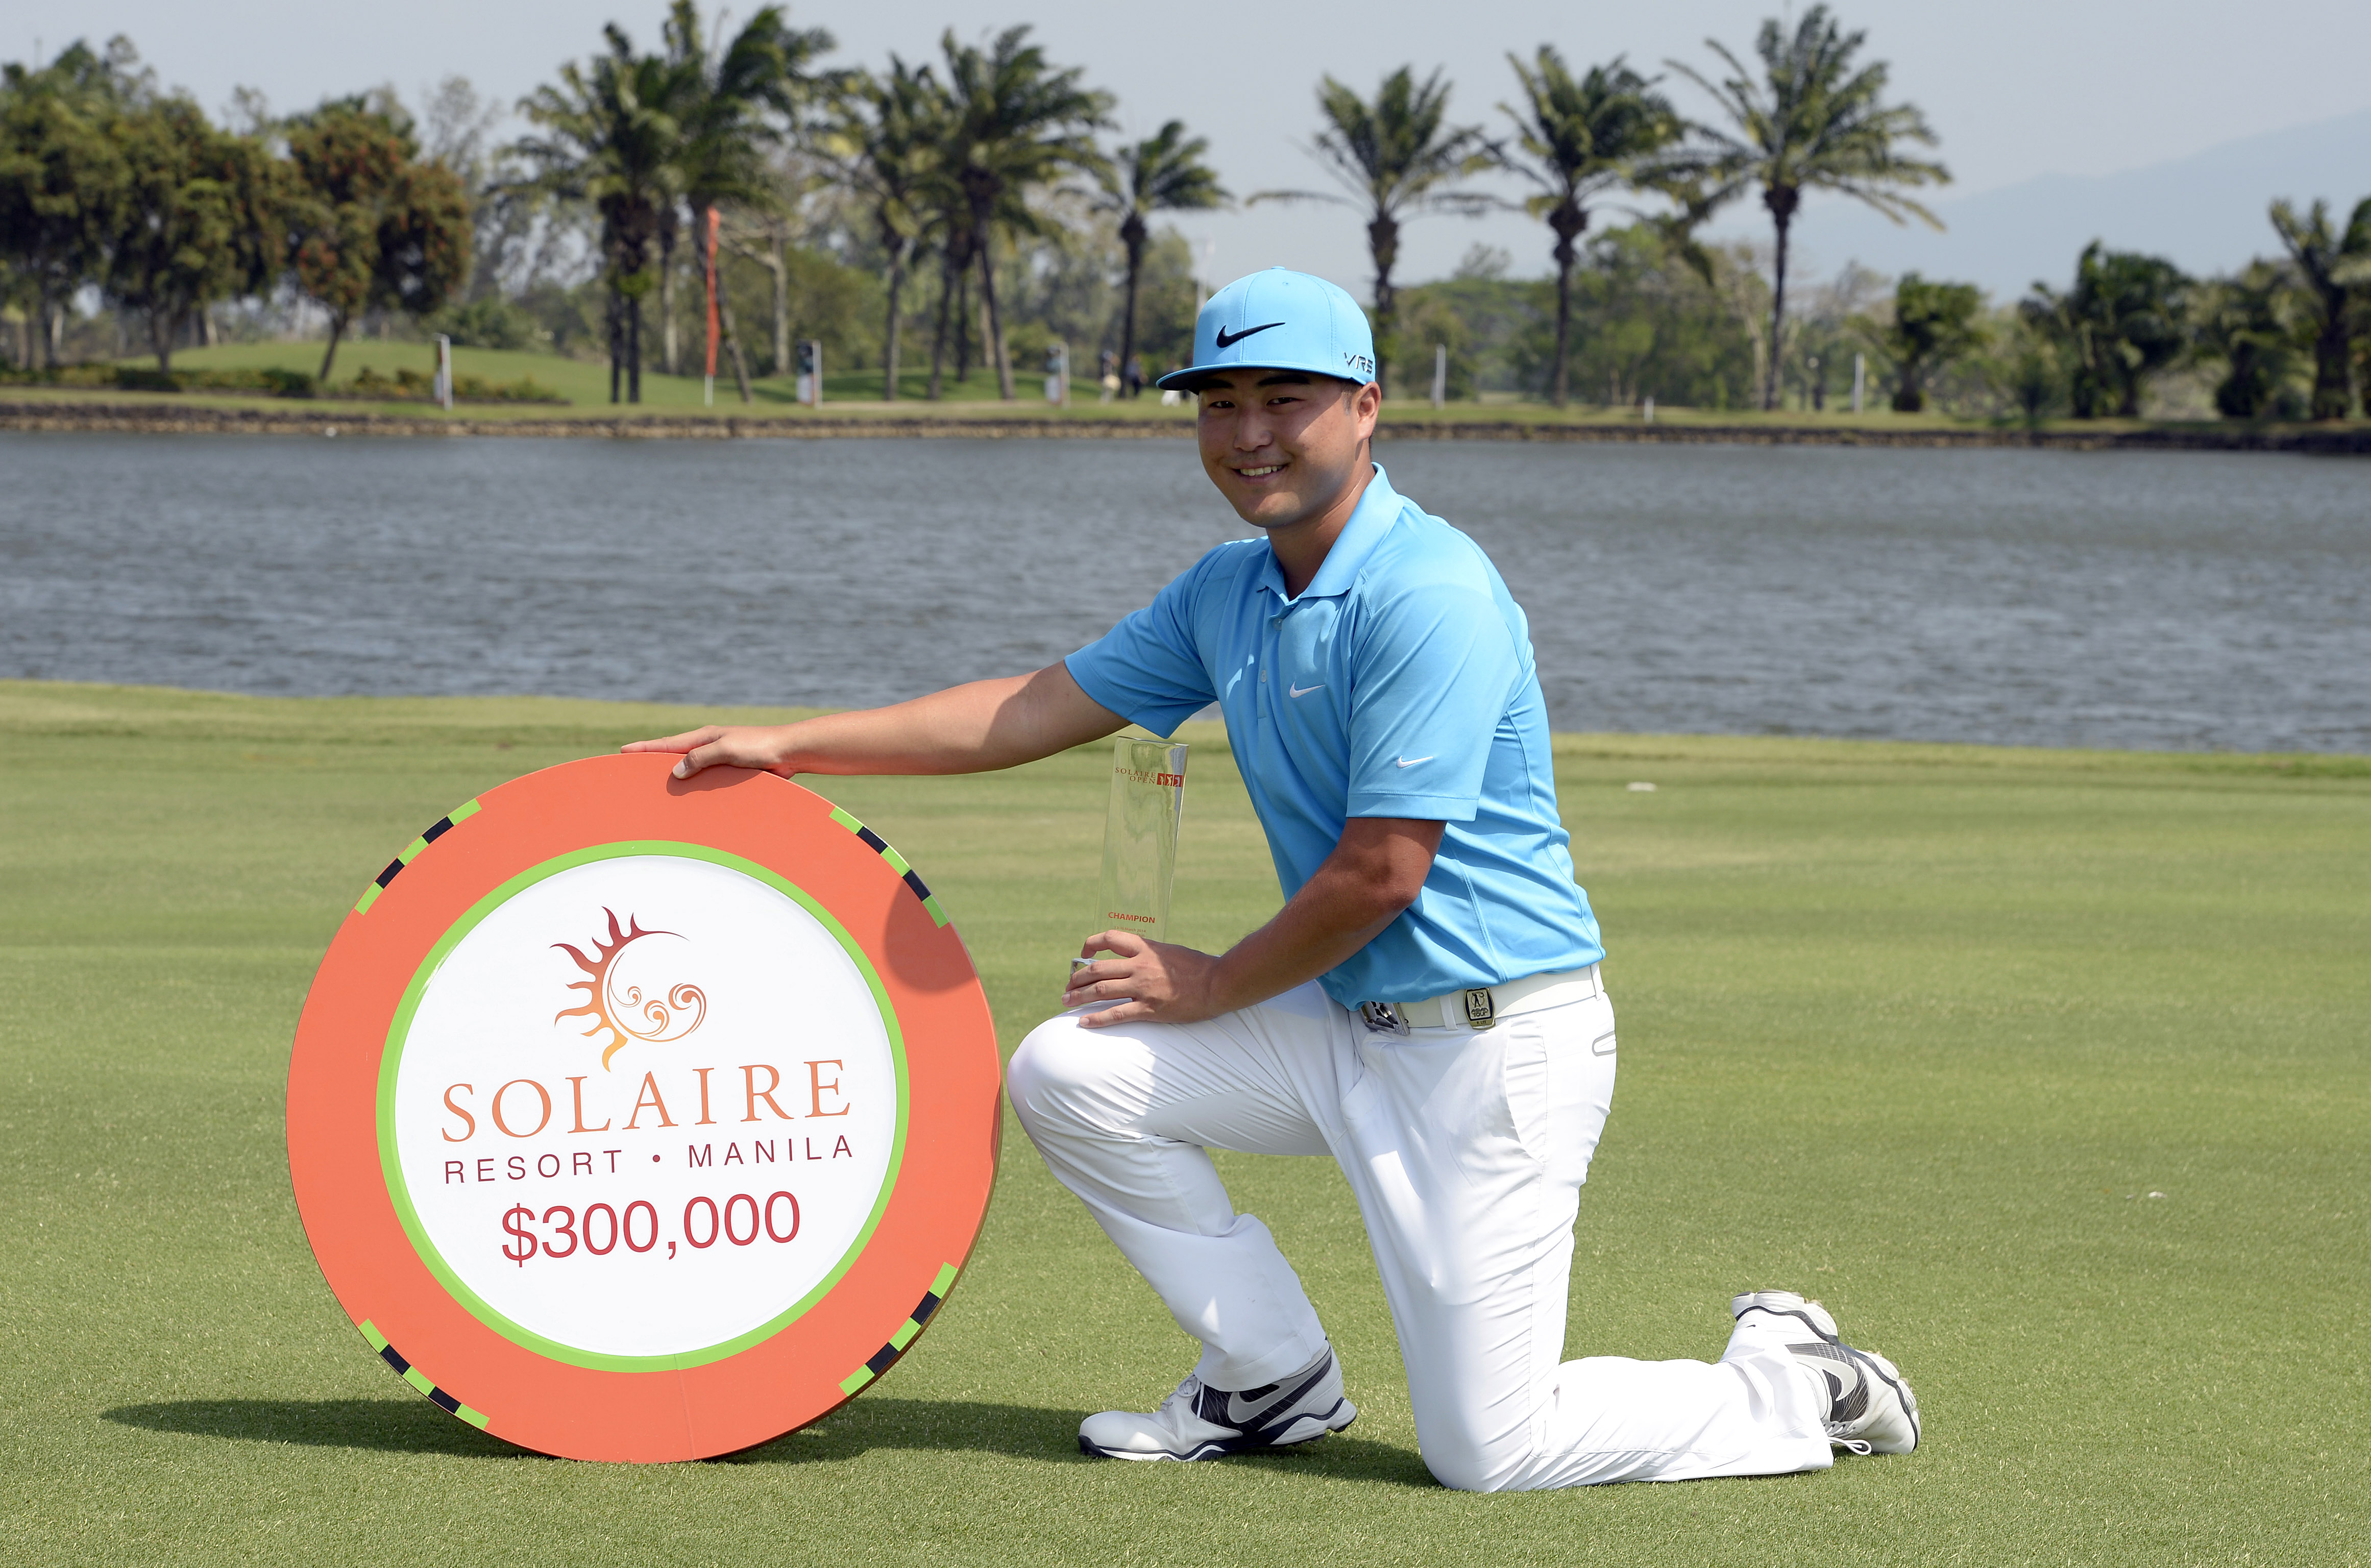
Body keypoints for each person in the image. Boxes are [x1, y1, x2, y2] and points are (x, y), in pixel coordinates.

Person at [626, 267, 1919, 1492]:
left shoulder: (1431, 590)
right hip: (1345, 1028)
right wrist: (784, 744)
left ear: (1365, 410)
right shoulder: (1228, 591)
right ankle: (1268, 1381)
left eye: (1283, 400)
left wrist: (1214, 982)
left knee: (1495, 1451)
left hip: (1492, 1050)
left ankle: (1796, 1383)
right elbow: (1028, 711)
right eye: (1220, 403)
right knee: (1071, 1068)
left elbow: (1381, 873)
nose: (1247, 433)